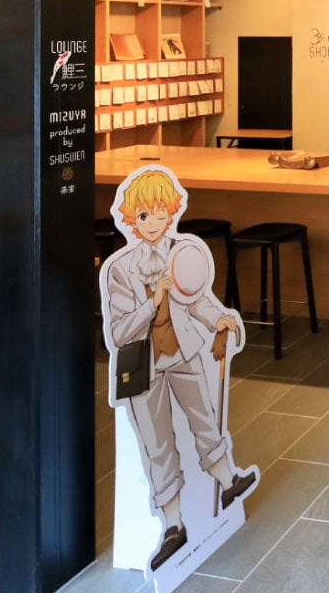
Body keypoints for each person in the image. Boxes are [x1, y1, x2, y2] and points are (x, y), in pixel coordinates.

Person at [102, 166, 259, 571]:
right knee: (157, 442)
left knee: (205, 416)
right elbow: (119, 331)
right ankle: (173, 525)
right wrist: (151, 304)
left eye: (160, 213)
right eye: (144, 215)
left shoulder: (181, 253)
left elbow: (196, 298)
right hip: (143, 365)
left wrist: (219, 318)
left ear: (171, 213)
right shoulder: (120, 269)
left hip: (183, 352)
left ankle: (228, 481)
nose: (153, 223)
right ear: (132, 220)